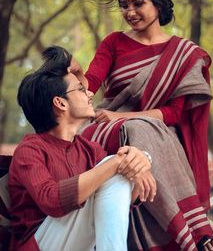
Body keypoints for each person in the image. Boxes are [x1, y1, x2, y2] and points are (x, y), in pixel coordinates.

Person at [82, 0, 213, 251]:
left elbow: (172, 113)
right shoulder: (114, 42)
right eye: (124, 5)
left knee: (146, 130)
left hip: (156, 132)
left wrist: (124, 117)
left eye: (137, 3)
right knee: (138, 129)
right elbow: (91, 82)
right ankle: (194, 231)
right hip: (107, 129)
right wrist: (73, 84)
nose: (130, 12)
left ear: (157, 3)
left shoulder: (184, 54)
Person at [8, 46, 156, 251]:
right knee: (114, 164)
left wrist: (139, 164)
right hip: (40, 244)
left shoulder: (89, 149)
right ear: (60, 103)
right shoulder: (30, 150)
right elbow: (51, 200)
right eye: (80, 89)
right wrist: (117, 162)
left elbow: (115, 197)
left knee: (118, 168)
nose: (89, 93)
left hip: (80, 244)